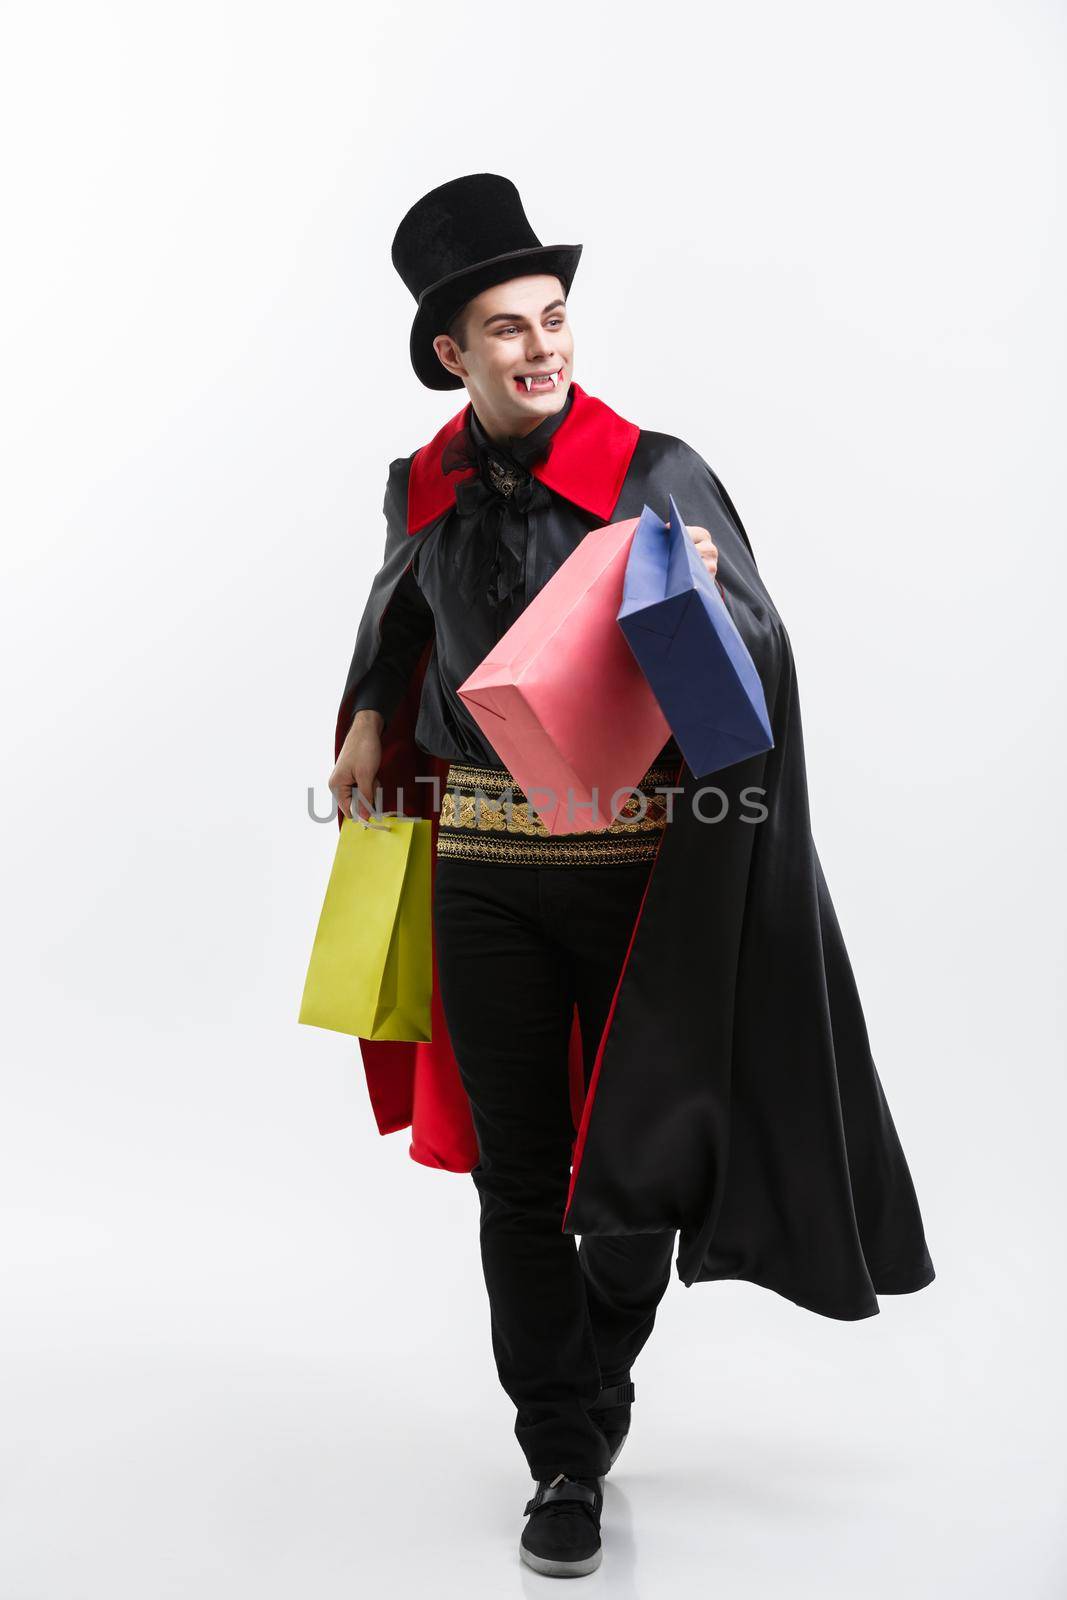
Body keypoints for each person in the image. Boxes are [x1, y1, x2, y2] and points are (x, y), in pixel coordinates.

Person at [327, 174, 935, 1580]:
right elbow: (395, 611)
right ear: (450, 355)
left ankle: (592, 1373)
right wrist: (366, 712)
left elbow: (751, 673)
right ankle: (561, 1450)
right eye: (507, 329)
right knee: (521, 1173)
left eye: (555, 319)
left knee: (639, 1170)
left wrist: (709, 597)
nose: (541, 347)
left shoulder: (653, 465)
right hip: (481, 860)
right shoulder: (418, 483)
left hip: (638, 872)